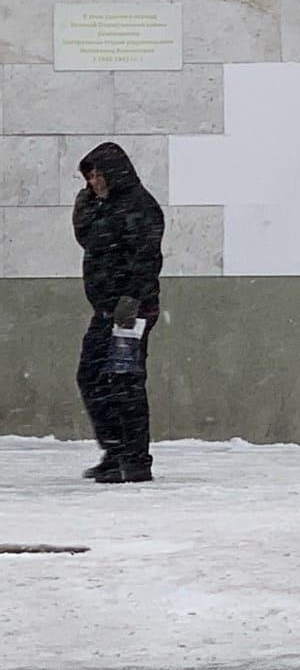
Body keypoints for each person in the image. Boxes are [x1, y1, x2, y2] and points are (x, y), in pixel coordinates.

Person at [72, 142, 164, 484]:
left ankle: (135, 459)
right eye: (89, 177)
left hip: (132, 311)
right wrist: (85, 204)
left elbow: (147, 257)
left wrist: (132, 298)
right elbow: (88, 240)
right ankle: (114, 450)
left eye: (98, 174)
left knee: (125, 381)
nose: (94, 181)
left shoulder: (139, 206)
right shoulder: (104, 206)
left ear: (114, 172)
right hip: (106, 310)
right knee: (92, 376)